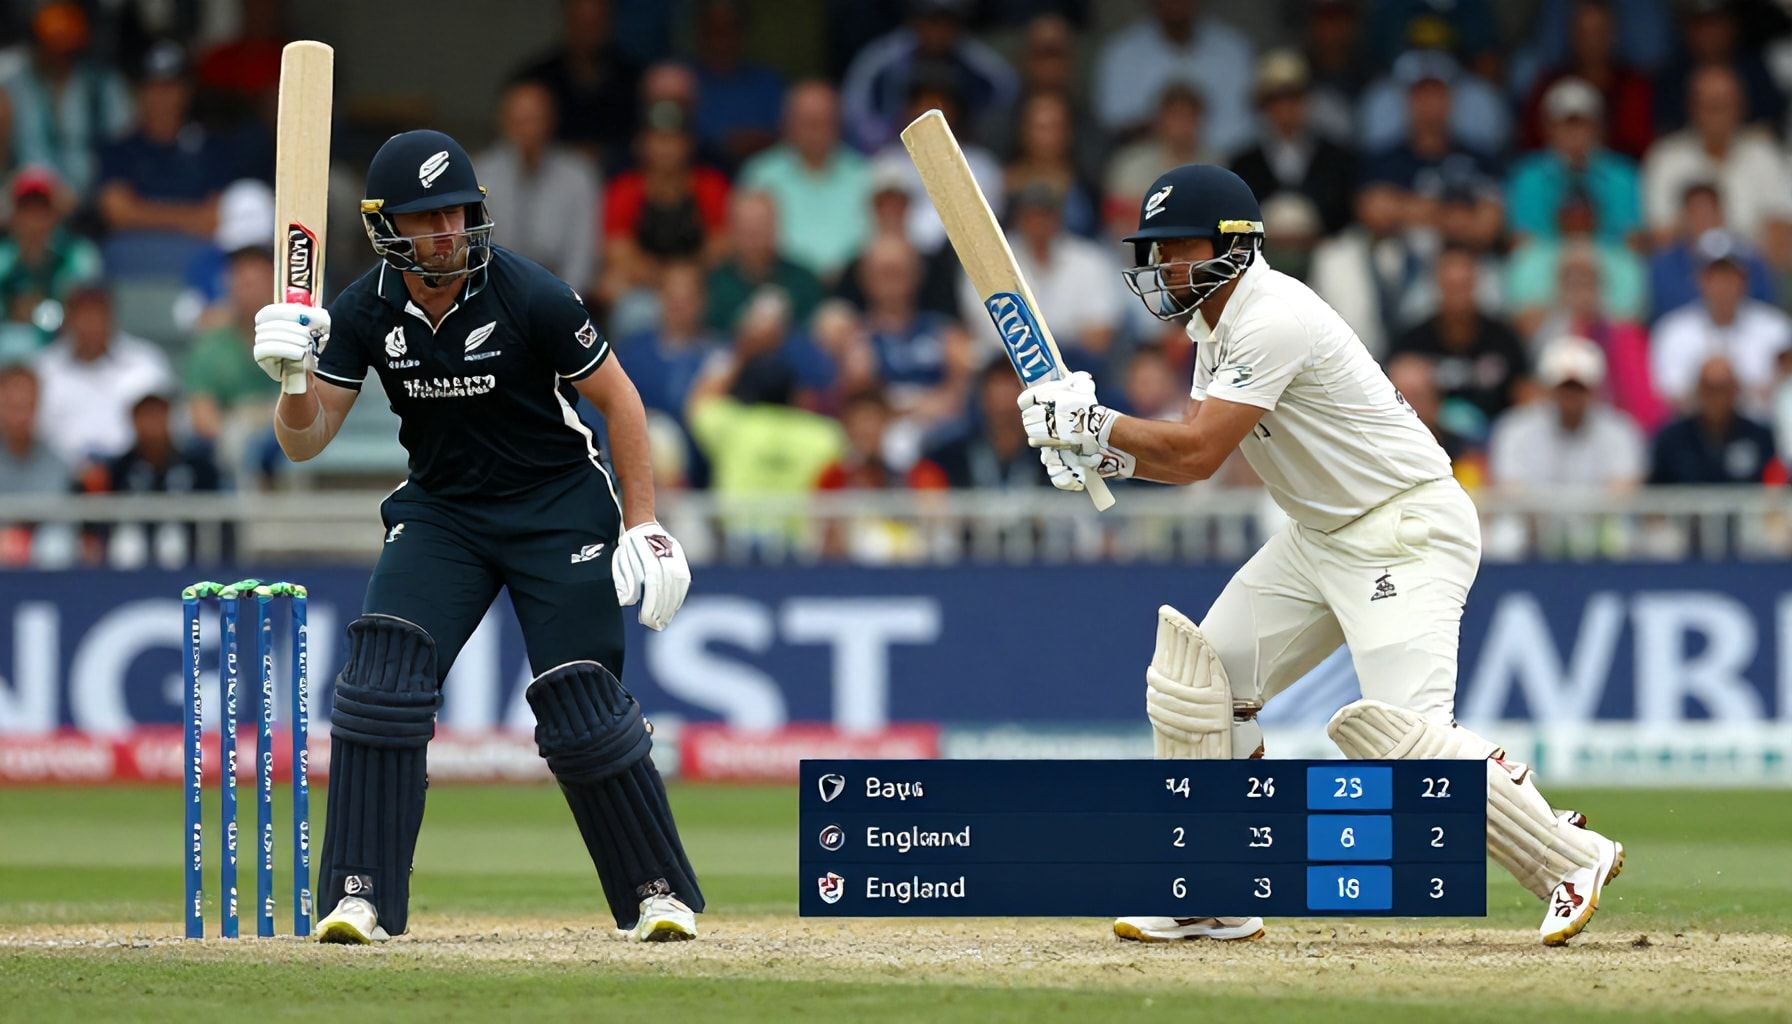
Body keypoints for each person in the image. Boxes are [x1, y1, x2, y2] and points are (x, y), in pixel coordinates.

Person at [1017, 164, 1624, 947]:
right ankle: (1211, 891)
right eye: (1156, 251)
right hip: (1321, 534)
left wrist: (1098, 428)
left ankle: (1571, 854)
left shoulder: (1272, 315)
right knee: (1197, 679)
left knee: (1403, 742)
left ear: (1234, 246)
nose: (1163, 267)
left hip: (1402, 531)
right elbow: (1190, 458)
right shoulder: (1217, 324)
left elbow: (1198, 451)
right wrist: (1098, 452)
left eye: (1178, 248)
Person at [251, 130, 701, 945]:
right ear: (390, 228)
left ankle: (656, 893)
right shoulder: (362, 309)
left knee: (580, 701)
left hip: (557, 508)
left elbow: (623, 401)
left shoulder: (531, 293)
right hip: (443, 513)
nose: (450, 229)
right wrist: (289, 381)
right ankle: (360, 897)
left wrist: (645, 523)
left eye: (458, 210)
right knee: (381, 680)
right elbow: (305, 441)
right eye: (428, 218)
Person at [1641, 65, 1792, 259]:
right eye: (1710, 106)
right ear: (1692, 108)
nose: (1717, 115)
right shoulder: (1665, 157)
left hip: (1757, 268)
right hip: (1690, 271)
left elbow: (1782, 229)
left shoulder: (1764, 154)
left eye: (1725, 105)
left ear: (1741, 107)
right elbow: (1662, 236)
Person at [840, 0, 1018, 153]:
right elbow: (855, 114)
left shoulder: (981, 68)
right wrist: (889, 139)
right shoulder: (881, 63)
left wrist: (975, 139)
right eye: (931, 21)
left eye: (947, 22)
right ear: (915, 21)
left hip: (964, 153)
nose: (938, 31)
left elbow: (1006, 100)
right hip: (895, 152)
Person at [737, 82, 870, 282]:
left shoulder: (864, 175)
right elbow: (744, 242)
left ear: (838, 124)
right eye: (807, 122)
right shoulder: (761, 174)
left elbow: (876, 239)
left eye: (823, 121)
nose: (815, 130)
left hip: (853, 286)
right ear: (786, 123)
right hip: (780, 284)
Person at [476, 81, 601, 294]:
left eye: (534, 120)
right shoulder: (479, 174)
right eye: (518, 121)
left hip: (558, 292)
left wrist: (564, 301)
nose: (526, 130)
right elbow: (474, 249)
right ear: (503, 122)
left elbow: (581, 256)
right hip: (493, 291)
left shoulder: (578, 175)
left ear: (550, 122)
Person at [1387, 248, 1529, 432]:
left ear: (1477, 284)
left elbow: (1524, 394)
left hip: (1493, 442)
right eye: (1451, 287)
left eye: (1463, 286)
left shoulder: (1504, 339)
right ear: (1437, 286)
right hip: (1429, 439)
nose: (1457, 297)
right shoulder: (1412, 343)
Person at [32, 283, 173, 467]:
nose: (90, 322)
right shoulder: (43, 369)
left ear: (111, 316)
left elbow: (171, 426)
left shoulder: (146, 363)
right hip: (59, 477)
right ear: (69, 319)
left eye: (97, 313)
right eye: (82, 314)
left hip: (132, 475)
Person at [1652, 229, 1792, 413]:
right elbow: (1672, 398)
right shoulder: (1673, 331)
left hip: (1762, 434)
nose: (1723, 284)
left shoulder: (1775, 327)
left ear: (1744, 279)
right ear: (1699, 280)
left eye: (1730, 275)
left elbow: (1783, 394)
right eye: (1714, 276)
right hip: (1697, 437)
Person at [1092, 0, 1256, 155]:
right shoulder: (1121, 53)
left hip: (1228, 166)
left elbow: (1245, 131)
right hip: (1149, 170)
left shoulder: (1234, 49)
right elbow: (1114, 127)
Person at [1487, 336, 1646, 490]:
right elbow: (1511, 492)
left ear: (1593, 389)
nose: (1571, 396)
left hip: (1597, 518)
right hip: (1534, 517)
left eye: (1579, 388)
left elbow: (1622, 493)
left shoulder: (1620, 432)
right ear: (1548, 388)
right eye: (1564, 388)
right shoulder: (1516, 430)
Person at [1228, 51, 1356, 238]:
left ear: (1307, 100)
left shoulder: (1337, 158)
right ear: (1263, 106)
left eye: (1293, 97)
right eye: (1275, 99)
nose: (1285, 108)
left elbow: (1344, 217)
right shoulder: (1243, 164)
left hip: (1324, 253)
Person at [1506, 79, 1641, 247]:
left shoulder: (1622, 175)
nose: (1574, 134)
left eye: (1582, 124)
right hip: (1544, 266)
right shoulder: (1527, 176)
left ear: (1599, 128)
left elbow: (1631, 241)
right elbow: (1523, 242)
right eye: (1566, 125)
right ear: (1548, 129)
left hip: (1608, 264)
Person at [510, 0, 643, 168]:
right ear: (566, 21)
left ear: (609, 23)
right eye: (581, 23)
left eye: (595, 23)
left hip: (620, 176)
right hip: (548, 176)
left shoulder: (634, 80)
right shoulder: (537, 79)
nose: (588, 32)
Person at [704, 190, 826, 336]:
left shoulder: (805, 281)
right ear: (731, 231)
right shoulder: (712, 287)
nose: (754, 237)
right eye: (746, 228)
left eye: (761, 226)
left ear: (777, 227)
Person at [0, 166, 101, 332]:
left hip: (63, 348)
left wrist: (37, 312)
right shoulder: (3, 258)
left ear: (56, 213)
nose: (33, 220)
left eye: (42, 209)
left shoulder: (78, 255)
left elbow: (85, 312)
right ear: (13, 215)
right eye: (26, 209)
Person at [1648, 355, 1776, 484]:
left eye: (1723, 388)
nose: (1716, 397)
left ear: (1736, 390)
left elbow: (1774, 487)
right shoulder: (1672, 440)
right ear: (1698, 390)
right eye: (1709, 388)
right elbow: (1655, 490)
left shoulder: (1760, 438)